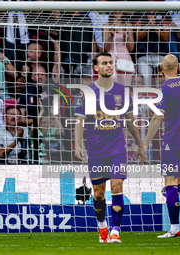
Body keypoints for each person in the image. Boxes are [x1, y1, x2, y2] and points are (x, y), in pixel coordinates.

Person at [74, 52, 145, 243]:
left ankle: (115, 231)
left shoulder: (122, 91)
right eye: (104, 63)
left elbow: (130, 121)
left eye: (110, 63)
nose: (109, 66)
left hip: (117, 148)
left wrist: (140, 146)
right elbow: (80, 121)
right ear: (96, 68)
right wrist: (77, 144)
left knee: (117, 186)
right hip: (96, 150)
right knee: (98, 193)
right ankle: (102, 226)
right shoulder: (87, 92)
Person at [143, 54, 180, 238]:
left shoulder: (164, 89)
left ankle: (174, 229)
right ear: (178, 68)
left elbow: (157, 117)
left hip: (174, 142)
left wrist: (145, 143)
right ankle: (174, 229)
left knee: (170, 183)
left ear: (161, 68)